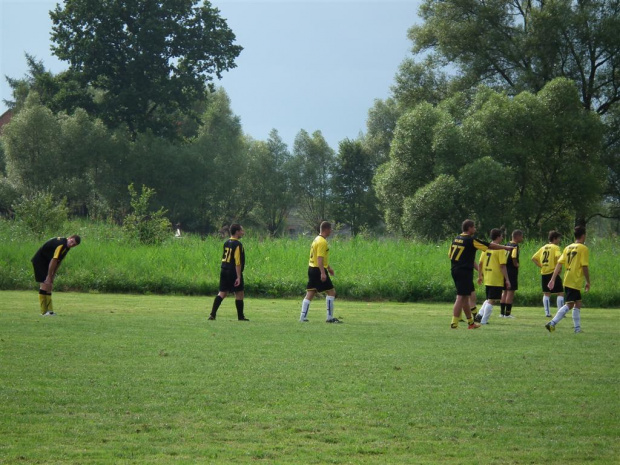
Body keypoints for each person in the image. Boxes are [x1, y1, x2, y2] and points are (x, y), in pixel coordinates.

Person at [449, 219, 513, 329]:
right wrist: (505, 247)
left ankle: (470, 323)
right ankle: (454, 323)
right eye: (474, 227)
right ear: (469, 228)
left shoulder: (456, 239)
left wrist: (478, 271)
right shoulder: (470, 240)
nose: (475, 229)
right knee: (460, 297)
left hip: (455, 269)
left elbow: (451, 255)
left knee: (465, 297)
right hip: (464, 271)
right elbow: (489, 246)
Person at [545, 226, 590, 334]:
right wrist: (588, 281)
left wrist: (552, 279)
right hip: (574, 279)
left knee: (578, 303)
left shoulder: (567, 247)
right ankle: (552, 323)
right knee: (570, 304)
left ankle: (577, 328)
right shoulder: (583, 248)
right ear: (583, 236)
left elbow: (559, 264)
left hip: (568, 278)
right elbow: (584, 266)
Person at [300, 221, 341, 323]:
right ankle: (329, 318)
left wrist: (329, 268)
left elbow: (319, 258)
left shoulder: (316, 240)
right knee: (331, 292)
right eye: (330, 229)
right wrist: (323, 272)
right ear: (326, 229)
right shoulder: (322, 242)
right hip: (318, 270)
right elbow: (319, 259)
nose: (331, 231)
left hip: (311, 269)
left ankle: (302, 317)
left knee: (311, 292)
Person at [31, 235, 81, 316]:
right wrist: (49, 276)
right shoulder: (61, 244)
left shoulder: (66, 247)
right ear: (69, 238)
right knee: (45, 284)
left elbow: (58, 261)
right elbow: (53, 260)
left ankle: (50, 311)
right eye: (72, 242)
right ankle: (43, 312)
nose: (72, 244)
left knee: (49, 285)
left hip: (47, 262)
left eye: (74, 245)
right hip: (40, 261)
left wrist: (53, 275)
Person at [208, 224, 249, 321]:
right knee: (239, 293)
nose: (243, 232)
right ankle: (240, 317)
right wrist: (238, 276)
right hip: (233, 271)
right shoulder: (238, 244)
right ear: (237, 231)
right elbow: (237, 262)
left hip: (224, 269)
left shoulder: (226, 242)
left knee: (222, 293)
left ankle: (212, 314)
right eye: (241, 230)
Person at [476, 229, 510, 325]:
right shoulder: (500, 249)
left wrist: (480, 276)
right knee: (492, 300)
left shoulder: (486, 248)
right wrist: (507, 279)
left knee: (489, 298)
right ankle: (484, 321)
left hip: (487, 276)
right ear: (498, 237)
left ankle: (479, 315)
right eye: (501, 236)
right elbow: (502, 266)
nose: (502, 238)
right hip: (495, 277)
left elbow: (480, 263)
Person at [531, 231, 565, 318]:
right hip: (553, 272)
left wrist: (541, 266)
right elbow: (559, 258)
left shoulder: (543, 247)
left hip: (544, 272)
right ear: (554, 238)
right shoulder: (556, 247)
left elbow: (534, 258)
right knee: (560, 293)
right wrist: (560, 269)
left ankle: (547, 313)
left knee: (546, 293)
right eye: (559, 238)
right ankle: (560, 312)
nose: (559, 240)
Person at [500, 229, 524, 318]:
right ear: (517, 237)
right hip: (511, 270)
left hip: (505, 269)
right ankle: (508, 313)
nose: (522, 238)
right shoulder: (515, 245)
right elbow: (514, 256)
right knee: (510, 291)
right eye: (521, 236)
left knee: (505, 291)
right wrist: (516, 264)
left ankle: (502, 313)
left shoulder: (506, 244)